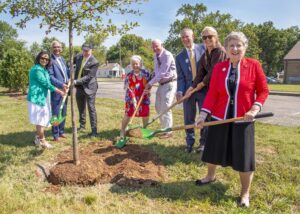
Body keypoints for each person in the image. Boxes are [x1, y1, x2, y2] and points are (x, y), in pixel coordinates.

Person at [195, 32, 269, 208]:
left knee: (244, 157)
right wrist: (203, 114)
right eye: (231, 46)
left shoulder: (253, 65)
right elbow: (213, 93)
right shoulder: (220, 68)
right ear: (226, 49)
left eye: (239, 45)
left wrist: (255, 108)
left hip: (243, 118)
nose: (235, 49)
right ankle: (210, 176)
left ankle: (245, 192)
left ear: (245, 47)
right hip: (219, 117)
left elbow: (264, 90)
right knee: (213, 148)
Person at [185, 26, 227, 152]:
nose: (207, 39)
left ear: (216, 37)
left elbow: (214, 71)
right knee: (207, 116)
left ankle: (206, 144)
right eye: (204, 37)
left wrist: (202, 84)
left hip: (221, 89)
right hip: (211, 88)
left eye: (210, 36)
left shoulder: (220, 51)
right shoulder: (205, 54)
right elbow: (200, 72)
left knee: (213, 117)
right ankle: (205, 144)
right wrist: (192, 87)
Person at [175, 27, 206, 153]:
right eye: (182, 37)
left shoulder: (204, 49)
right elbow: (180, 77)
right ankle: (189, 142)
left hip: (203, 88)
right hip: (188, 92)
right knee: (188, 117)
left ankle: (203, 143)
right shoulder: (179, 57)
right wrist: (180, 92)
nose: (185, 39)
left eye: (187, 36)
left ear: (193, 36)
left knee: (204, 117)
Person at [27, 51, 65, 148]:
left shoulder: (44, 69)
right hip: (37, 98)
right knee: (40, 120)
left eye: (47, 59)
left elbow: (49, 82)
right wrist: (59, 91)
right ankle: (42, 141)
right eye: (42, 58)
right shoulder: (37, 69)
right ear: (38, 58)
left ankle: (38, 138)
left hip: (43, 97)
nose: (45, 60)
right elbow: (45, 84)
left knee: (42, 119)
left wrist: (61, 86)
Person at [145, 39, 177, 139]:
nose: (155, 48)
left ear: (162, 45)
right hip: (161, 83)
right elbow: (156, 71)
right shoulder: (155, 56)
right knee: (158, 106)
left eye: (157, 46)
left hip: (170, 83)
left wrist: (150, 83)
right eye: (153, 47)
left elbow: (162, 73)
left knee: (166, 106)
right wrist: (149, 82)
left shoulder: (167, 55)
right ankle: (164, 129)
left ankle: (168, 132)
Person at [120, 55, 151, 137]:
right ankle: (122, 131)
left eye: (137, 64)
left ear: (140, 64)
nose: (135, 65)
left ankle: (145, 131)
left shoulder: (146, 73)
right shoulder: (129, 75)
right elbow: (129, 88)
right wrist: (133, 99)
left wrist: (148, 90)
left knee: (145, 114)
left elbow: (150, 84)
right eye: (133, 64)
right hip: (131, 98)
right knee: (128, 114)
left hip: (143, 97)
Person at [74, 43, 99, 137]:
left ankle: (94, 130)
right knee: (81, 107)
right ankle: (82, 125)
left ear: (91, 50)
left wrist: (76, 81)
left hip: (90, 87)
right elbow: (70, 62)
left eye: (87, 51)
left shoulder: (94, 62)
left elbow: (89, 76)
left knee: (91, 108)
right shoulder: (79, 57)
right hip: (79, 87)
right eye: (83, 50)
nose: (85, 52)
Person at [48, 40, 70, 141]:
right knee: (56, 112)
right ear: (52, 49)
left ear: (61, 48)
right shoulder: (50, 61)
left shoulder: (62, 59)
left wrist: (69, 78)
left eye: (58, 47)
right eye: (55, 47)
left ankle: (61, 131)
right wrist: (61, 85)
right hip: (57, 90)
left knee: (64, 111)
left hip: (66, 89)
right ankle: (55, 134)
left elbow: (66, 72)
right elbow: (51, 77)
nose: (57, 49)